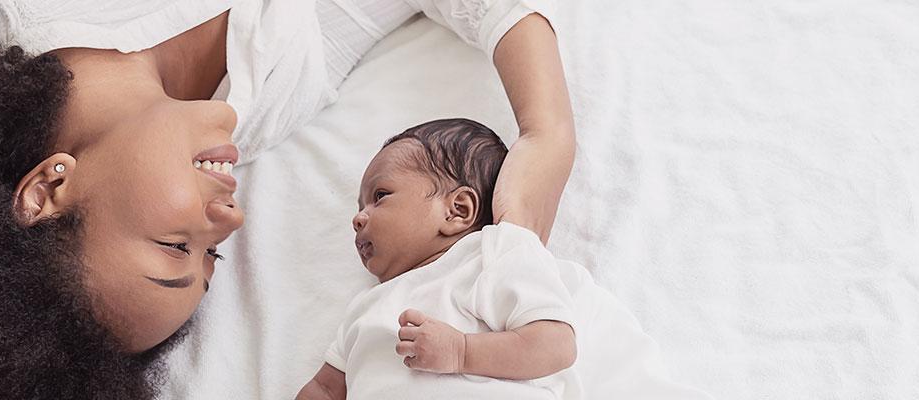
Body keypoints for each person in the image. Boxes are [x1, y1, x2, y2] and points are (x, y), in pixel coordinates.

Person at [0, 0, 577, 398]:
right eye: (210, 259)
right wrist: (547, 130)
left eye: (173, 248)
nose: (231, 218)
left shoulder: (4, 13)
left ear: (49, 185)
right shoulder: (263, 93)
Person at [295, 119, 712, 400]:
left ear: (457, 209)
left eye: (380, 196)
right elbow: (327, 390)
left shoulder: (494, 254)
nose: (359, 217)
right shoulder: (363, 309)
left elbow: (554, 345)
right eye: (361, 204)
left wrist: (460, 351)